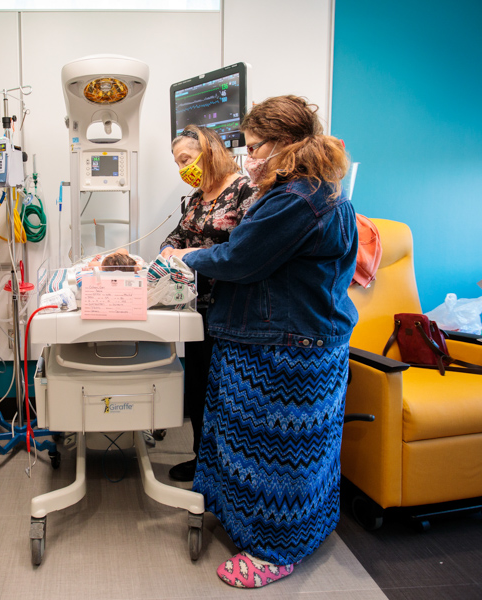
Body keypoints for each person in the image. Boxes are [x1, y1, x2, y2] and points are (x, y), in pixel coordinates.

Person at [168, 96, 357, 588]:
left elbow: (239, 261)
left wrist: (186, 259)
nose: (248, 156)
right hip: (286, 339)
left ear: (285, 146)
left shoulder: (297, 199)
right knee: (249, 445)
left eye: (254, 147)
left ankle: (275, 550)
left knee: (276, 457)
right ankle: (252, 522)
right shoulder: (313, 192)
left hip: (286, 350)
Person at [160, 125, 257, 482]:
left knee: (227, 391)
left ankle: (229, 471)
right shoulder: (197, 198)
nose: (182, 169)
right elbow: (176, 235)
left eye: (186, 159)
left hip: (232, 309)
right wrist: (170, 249)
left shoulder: (245, 190)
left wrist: (190, 252)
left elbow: (245, 250)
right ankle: (202, 460)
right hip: (196, 307)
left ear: (210, 151)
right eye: (177, 164)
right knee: (199, 387)